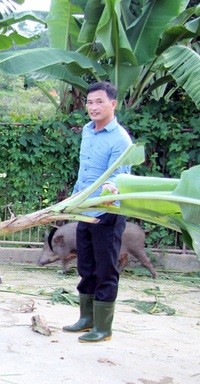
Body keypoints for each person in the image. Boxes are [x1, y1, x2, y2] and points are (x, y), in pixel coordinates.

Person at [63, 81, 132, 343]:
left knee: (105, 268)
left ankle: (104, 328)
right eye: (90, 102)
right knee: (86, 265)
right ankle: (86, 319)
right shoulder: (87, 132)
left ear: (113, 104)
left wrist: (109, 190)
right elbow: (85, 171)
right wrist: (75, 199)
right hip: (85, 209)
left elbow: (120, 178)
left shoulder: (120, 139)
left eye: (99, 102)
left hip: (107, 212)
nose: (93, 107)